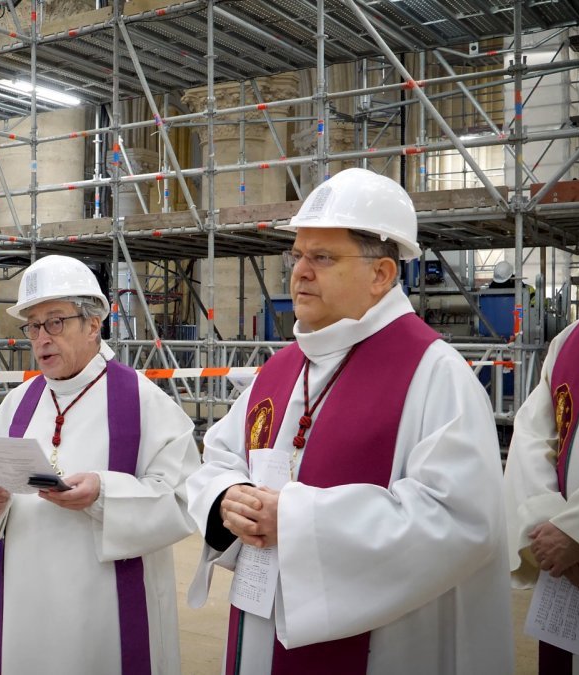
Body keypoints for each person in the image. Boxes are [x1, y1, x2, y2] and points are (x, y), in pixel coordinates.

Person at [186, 168, 514, 674]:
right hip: (261, 623)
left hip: (384, 647)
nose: (299, 272)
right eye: (297, 256)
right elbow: (220, 456)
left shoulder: (433, 372)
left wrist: (292, 521)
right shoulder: (281, 368)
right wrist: (227, 497)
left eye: (322, 257)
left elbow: (460, 520)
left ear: (381, 274)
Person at [0, 254, 200, 674]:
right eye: (33, 325)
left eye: (55, 321)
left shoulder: (141, 401)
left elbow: (182, 496)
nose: (41, 338)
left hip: (102, 610)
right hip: (27, 604)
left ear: (94, 323)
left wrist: (104, 495)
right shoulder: (18, 404)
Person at [505, 316, 579, 672]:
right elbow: (531, 437)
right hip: (565, 566)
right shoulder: (568, 341)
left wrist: (574, 530)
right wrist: (546, 529)